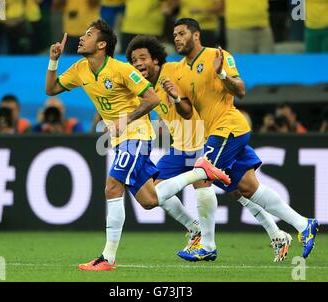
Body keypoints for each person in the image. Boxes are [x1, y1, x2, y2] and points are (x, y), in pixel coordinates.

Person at [45, 19, 229, 271]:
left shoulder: (122, 70)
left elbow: (152, 98)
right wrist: (53, 60)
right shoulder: (80, 69)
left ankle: (107, 258)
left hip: (137, 135)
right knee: (149, 200)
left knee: (112, 188)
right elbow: (51, 89)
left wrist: (126, 119)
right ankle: (198, 193)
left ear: (101, 44)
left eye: (88, 35)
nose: (81, 38)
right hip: (120, 138)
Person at [126, 35, 293, 262]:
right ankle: (194, 228)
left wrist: (219, 71)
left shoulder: (175, 69)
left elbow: (199, 80)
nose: (137, 64)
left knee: (241, 190)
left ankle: (264, 235)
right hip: (180, 145)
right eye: (134, 60)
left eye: (142, 58)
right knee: (155, 193)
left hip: (206, 139)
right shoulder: (144, 88)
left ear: (156, 60)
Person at [162, 18, 318, 261]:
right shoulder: (180, 69)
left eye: (182, 33)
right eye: (174, 36)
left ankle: (206, 244)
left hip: (229, 128)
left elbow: (240, 90)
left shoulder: (218, 55)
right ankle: (302, 224)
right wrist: (174, 98)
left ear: (196, 35)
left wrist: (221, 73)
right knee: (246, 188)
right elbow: (188, 111)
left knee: (202, 170)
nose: (178, 39)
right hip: (215, 132)